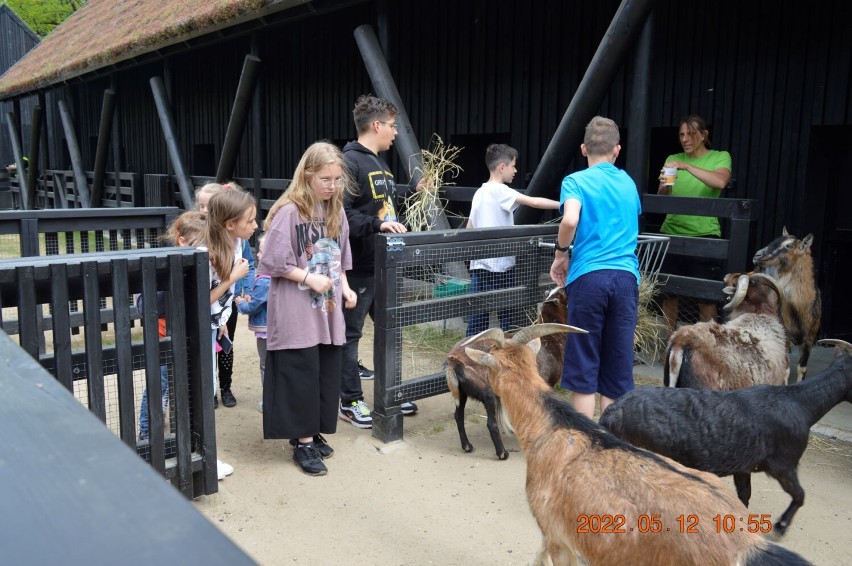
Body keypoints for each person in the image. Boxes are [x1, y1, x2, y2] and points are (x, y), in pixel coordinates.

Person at [258, 141, 357, 476]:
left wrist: (345, 286)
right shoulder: (289, 211)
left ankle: (312, 430)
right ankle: (302, 444)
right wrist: (308, 278)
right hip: (296, 307)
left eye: (337, 179)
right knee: (300, 372)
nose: (332, 186)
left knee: (322, 370)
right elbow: (272, 261)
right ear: (308, 175)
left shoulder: (336, 211)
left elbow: (341, 258)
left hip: (327, 308)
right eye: (325, 179)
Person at [550, 116, 641, 420]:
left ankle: (586, 443)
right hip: (626, 279)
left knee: (585, 360)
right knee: (617, 363)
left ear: (583, 149)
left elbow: (570, 219)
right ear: (617, 150)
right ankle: (611, 442)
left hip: (589, 278)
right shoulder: (628, 183)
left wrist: (561, 253)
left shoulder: (576, 181)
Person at [339, 94, 421, 428]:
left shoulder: (381, 165)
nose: (395, 132)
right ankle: (350, 400)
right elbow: (341, 216)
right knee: (350, 335)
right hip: (358, 266)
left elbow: (382, 208)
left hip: (385, 265)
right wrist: (376, 225)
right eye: (392, 126)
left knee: (391, 330)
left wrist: (412, 196)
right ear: (376, 125)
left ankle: (391, 392)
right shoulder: (348, 162)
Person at [465, 143, 560, 336]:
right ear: (502, 167)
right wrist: (565, 205)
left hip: (479, 265)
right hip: (501, 266)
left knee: (477, 317)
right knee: (508, 316)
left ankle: (470, 356)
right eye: (513, 166)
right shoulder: (501, 190)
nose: (515, 170)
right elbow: (533, 201)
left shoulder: (479, 193)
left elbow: (469, 227)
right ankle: (509, 356)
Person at [656, 115, 732, 335]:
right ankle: (669, 345)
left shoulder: (720, 157)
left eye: (691, 133)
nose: (685, 139)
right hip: (671, 233)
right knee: (669, 294)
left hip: (704, 235)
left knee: (706, 297)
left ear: (704, 135)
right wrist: (664, 185)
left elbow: (720, 182)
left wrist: (686, 167)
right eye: (681, 134)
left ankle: (707, 347)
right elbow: (663, 197)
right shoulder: (673, 158)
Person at [201, 185, 256, 479]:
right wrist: (233, 278)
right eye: (250, 221)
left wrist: (222, 317)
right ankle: (203, 456)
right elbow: (200, 297)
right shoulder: (206, 250)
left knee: (204, 388)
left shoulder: (234, 243)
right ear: (230, 223)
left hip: (212, 325)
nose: (255, 225)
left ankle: (204, 455)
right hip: (195, 328)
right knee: (199, 389)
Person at [137, 210, 206, 442]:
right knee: (159, 385)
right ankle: (147, 430)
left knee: (186, 383)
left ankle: (184, 430)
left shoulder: (198, 266)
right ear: (182, 241)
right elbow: (145, 304)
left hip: (186, 337)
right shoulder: (162, 268)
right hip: (163, 339)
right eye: (199, 243)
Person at [234, 233, 269, 414]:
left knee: (265, 365)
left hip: (266, 330)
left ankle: (269, 401)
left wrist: (240, 303)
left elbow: (253, 306)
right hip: (277, 329)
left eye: (262, 252)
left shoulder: (264, 281)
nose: (258, 255)